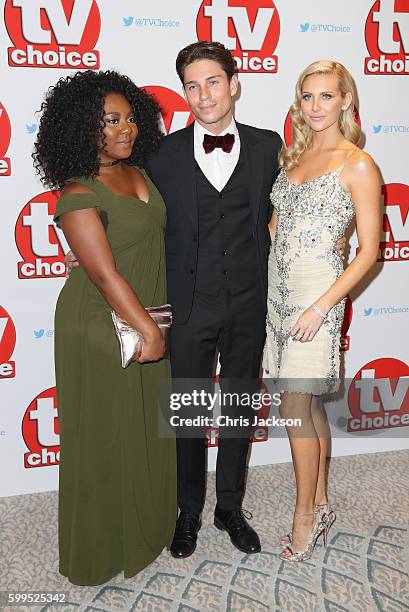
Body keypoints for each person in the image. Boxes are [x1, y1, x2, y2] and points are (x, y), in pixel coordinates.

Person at [33, 70, 176, 585]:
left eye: (130, 118)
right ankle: (96, 552)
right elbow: (101, 272)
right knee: (106, 437)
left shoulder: (140, 172)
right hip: (100, 325)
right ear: (79, 128)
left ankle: (148, 528)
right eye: (110, 121)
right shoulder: (76, 192)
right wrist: (151, 333)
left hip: (149, 314)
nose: (126, 129)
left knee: (143, 428)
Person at [263, 60, 381, 561]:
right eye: (307, 96)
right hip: (278, 294)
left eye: (326, 96)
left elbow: (370, 251)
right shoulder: (293, 158)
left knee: (293, 407)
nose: (315, 107)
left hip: (318, 298)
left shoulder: (357, 164)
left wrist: (322, 305)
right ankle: (324, 500)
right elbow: (273, 227)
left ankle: (304, 514)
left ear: (345, 102)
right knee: (307, 406)